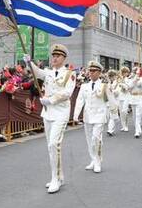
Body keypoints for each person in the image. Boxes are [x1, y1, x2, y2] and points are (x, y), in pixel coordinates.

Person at [24, 44, 76, 194]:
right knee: (50, 146)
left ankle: (56, 179)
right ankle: (57, 176)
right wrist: (29, 62)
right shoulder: (48, 72)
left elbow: (67, 93)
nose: (54, 58)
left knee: (54, 144)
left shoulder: (69, 74)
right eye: (53, 55)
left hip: (60, 112)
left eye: (57, 56)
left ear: (64, 58)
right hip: (48, 113)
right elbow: (37, 72)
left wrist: (50, 100)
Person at [74, 61, 113, 173]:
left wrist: (113, 115)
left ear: (99, 72)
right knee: (89, 140)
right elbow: (80, 100)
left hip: (100, 115)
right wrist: (76, 115)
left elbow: (110, 100)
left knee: (96, 138)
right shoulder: (84, 86)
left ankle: (98, 161)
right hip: (88, 115)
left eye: (93, 71)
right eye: (90, 71)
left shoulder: (104, 86)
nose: (91, 73)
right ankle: (93, 159)